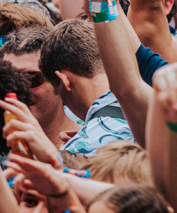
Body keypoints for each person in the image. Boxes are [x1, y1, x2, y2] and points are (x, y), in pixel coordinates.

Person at [39, 19, 134, 154]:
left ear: (64, 81)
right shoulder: (153, 107)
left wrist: (79, 146)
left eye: (58, 92)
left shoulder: (76, 152)